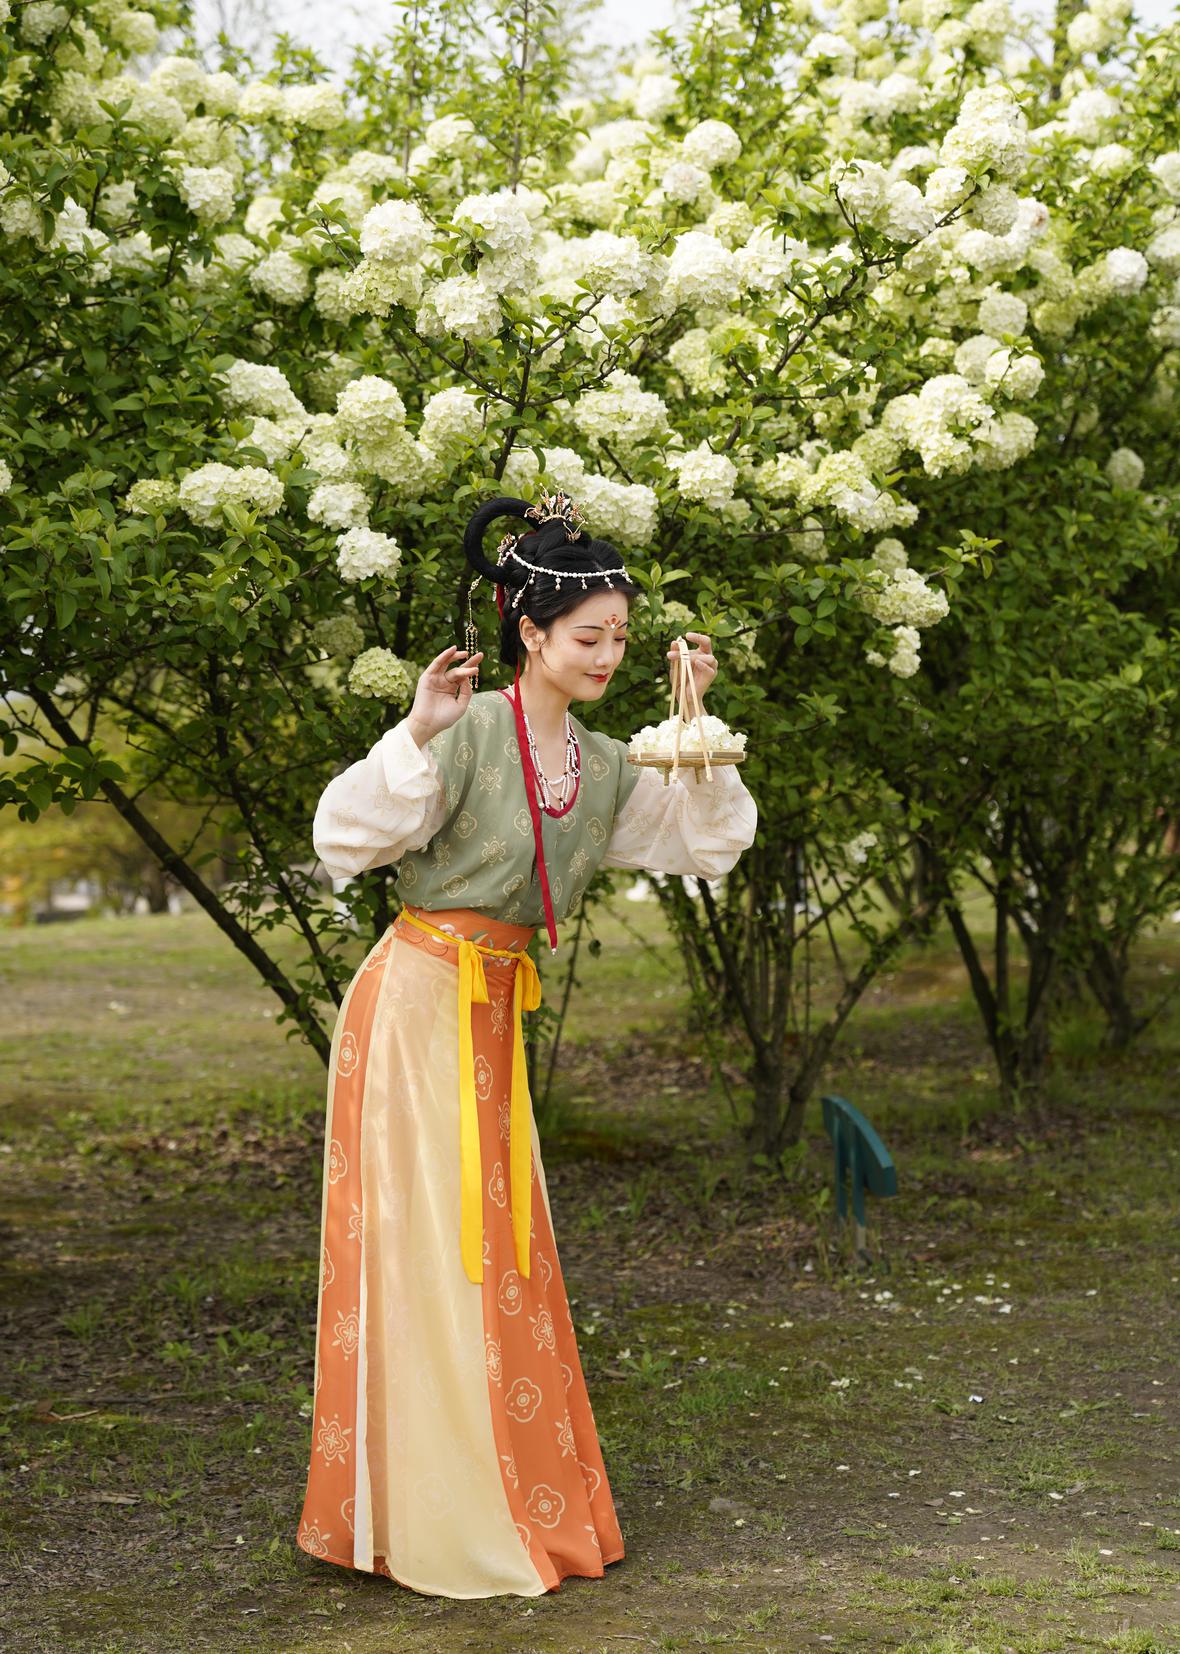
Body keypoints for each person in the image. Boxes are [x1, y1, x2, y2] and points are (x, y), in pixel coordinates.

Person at [295, 487, 758, 1598]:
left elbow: (701, 846)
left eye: (620, 638)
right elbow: (344, 837)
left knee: (500, 1249)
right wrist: (417, 728)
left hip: (493, 1012)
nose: (608, 656)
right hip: (415, 1006)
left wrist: (695, 727)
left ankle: (506, 1493)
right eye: (589, 635)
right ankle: (422, 1517)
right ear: (531, 632)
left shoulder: (601, 763)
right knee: (430, 1249)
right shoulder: (467, 732)